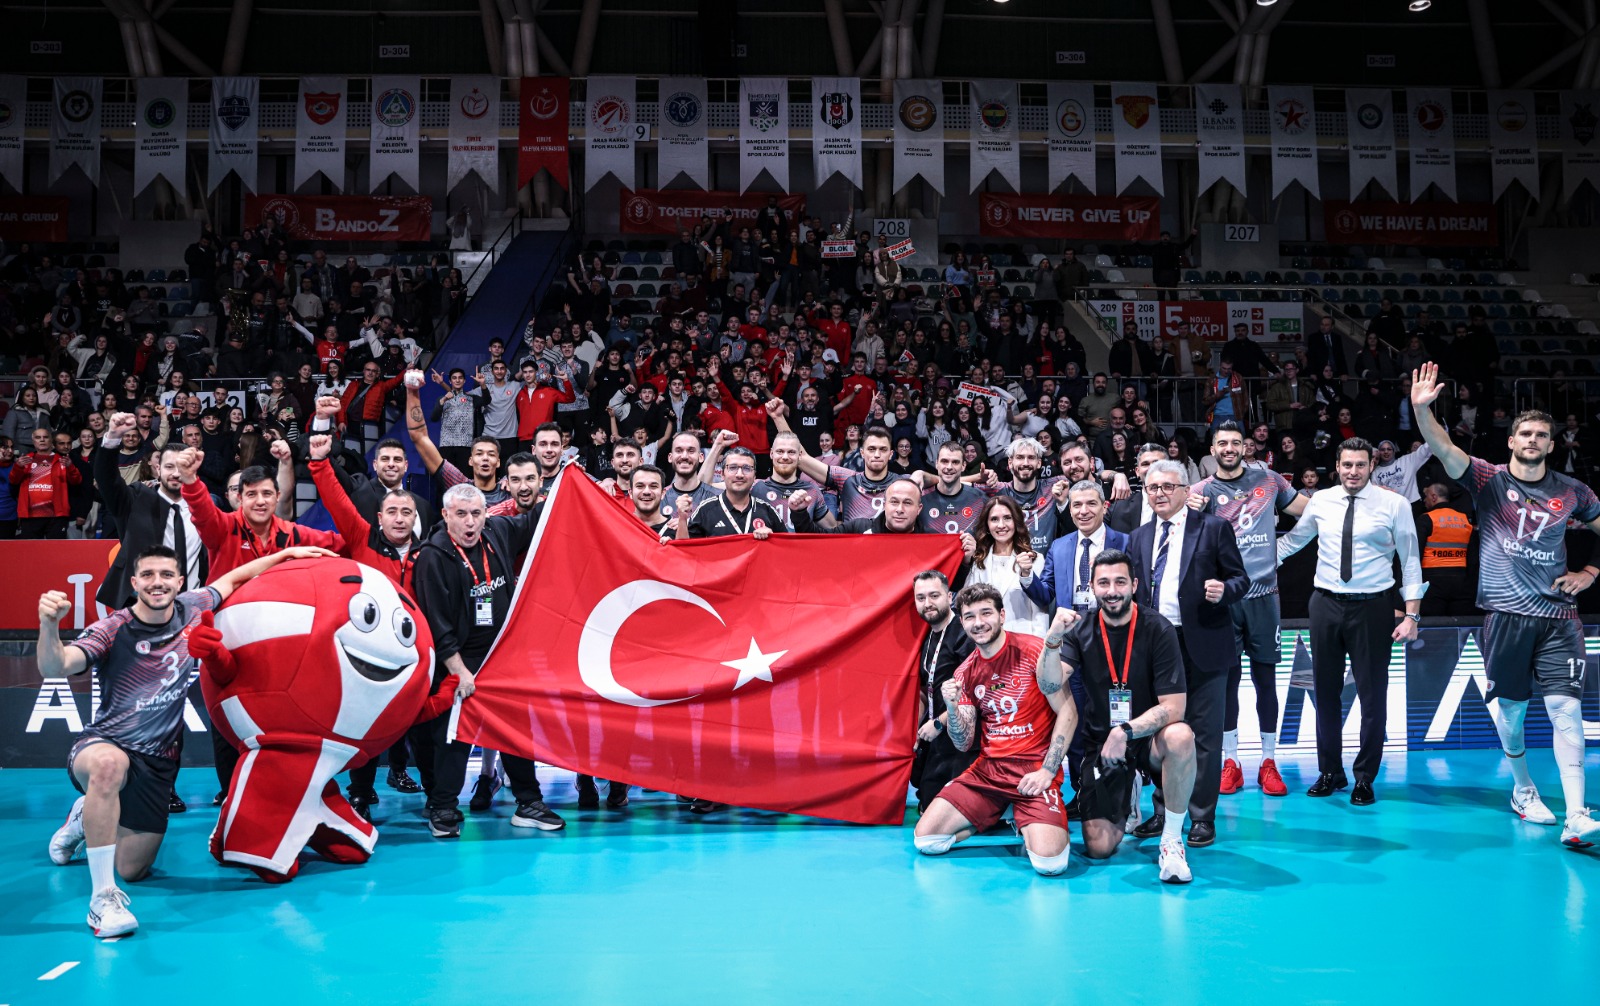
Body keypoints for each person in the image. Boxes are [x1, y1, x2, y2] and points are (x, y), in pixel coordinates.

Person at [42, 543, 336, 938]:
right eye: (148, 575)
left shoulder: (192, 607)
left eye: (166, 575)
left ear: (180, 581)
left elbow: (236, 578)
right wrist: (49, 626)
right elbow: (57, 665)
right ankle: (102, 900)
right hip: (105, 744)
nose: (157, 582)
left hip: (159, 761)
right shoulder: (113, 629)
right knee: (109, 768)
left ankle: (84, 816)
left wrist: (289, 555)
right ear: (134, 583)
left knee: (134, 869)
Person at [1411, 364, 1600, 846]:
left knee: (1565, 711)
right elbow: (1444, 449)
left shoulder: (1573, 491)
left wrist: (1590, 572)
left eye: (1542, 435)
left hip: (1560, 617)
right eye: (1526, 434)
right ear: (1512, 441)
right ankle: (1523, 789)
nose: (1533, 440)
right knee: (1512, 715)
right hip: (1507, 617)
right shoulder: (1487, 479)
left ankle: (1576, 814)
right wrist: (1422, 410)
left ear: (1551, 445)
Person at [1276, 437, 1425, 806]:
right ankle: (1330, 772)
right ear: (1337, 466)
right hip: (1324, 604)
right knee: (1325, 693)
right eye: (1347, 465)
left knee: (1372, 696)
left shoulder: (1395, 504)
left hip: (1373, 607)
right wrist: (1251, 562)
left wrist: (1412, 614)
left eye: (1360, 465)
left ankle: (1365, 777)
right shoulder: (1321, 501)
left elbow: (1410, 560)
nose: (1353, 472)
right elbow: (1294, 541)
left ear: (1371, 465)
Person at [410, 484, 564, 838]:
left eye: (476, 514)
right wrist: (459, 671)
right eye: (461, 514)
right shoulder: (433, 555)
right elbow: (436, 623)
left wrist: (565, 483)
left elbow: (533, 521)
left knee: (515, 732)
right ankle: (444, 807)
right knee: (454, 737)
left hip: (502, 657)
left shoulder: (496, 531)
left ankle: (529, 803)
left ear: (485, 514)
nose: (470, 522)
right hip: (459, 660)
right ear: (446, 515)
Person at [1041, 551, 1198, 883]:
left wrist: (1125, 730)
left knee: (1181, 736)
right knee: (1098, 848)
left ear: (1134, 585)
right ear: (1092, 587)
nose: (1112, 591)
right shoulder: (1080, 630)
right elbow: (1050, 683)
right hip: (1102, 741)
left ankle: (1171, 841)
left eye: (1120, 582)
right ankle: (1129, 787)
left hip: (1147, 740)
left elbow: (1175, 708)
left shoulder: (1159, 628)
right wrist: (1053, 638)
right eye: (1103, 583)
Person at [911, 584, 1074, 877]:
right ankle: (998, 812)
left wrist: (1048, 771)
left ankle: (1024, 820)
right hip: (989, 771)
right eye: (969, 616)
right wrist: (952, 706)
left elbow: (1068, 712)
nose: (978, 622)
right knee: (926, 840)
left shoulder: (1034, 650)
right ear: (962, 622)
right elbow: (963, 743)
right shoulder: (965, 672)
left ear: (1001, 615)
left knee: (1050, 864)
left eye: (986, 613)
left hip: (1033, 769)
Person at [1126, 460, 1249, 847]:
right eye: (1152, 488)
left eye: (1168, 486)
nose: (1159, 493)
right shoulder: (1138, 537)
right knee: (1162, 732)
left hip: (1204, 644)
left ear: (1185, 490)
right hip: (1157, 648)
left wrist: (1224, 591)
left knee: (1204, 734)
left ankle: (1201, 817)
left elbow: (1241, 579)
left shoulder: (1213, 528)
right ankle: (1163, 811)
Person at [306, 434, 427, 814]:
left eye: (405, 512)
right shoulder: (363, 538)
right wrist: (319, 463)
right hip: (368, 651)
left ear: (416, 518)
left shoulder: (428, 552)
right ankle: (360, 791)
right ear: (379, 517)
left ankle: (430, 790)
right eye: (392, 512)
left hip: (413, 650)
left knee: (415, 721)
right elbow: (337, 501)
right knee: (367, 720)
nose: (399, 518)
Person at [1189, 422, 1307, 798]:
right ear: (1212, 450)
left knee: (1265, 681)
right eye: (1222, 443)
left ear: (1246, 447)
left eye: (1235, 442)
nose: (1229, 448)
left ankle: (1268, 762)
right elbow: (1179, 536)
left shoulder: (1270, 480)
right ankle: (1232, 762)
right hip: (1223, 599)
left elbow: (1310, 512)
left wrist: (1283, 549)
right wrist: (1191, 514)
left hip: (1264, 597)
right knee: (1227, 682)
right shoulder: (1200, 492)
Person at [93, 416, 207, 608]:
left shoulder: (205, 507)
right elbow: (107, 479)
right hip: (142, 606)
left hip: (194, 606)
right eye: (169, 467)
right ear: (158, 469)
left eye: (183, 467)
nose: (176, 473)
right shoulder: (136, 499)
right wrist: (112, 437)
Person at [910, 571, 978, 813]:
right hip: (935, 731)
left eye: (934, 596)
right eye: (921, 598)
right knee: (924, 795)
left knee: (944, 809)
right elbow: (924, 687)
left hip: (961, 734)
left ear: (949, 597)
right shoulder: (925, 635)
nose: (927, 603)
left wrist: (939, 723)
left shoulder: (964, 633)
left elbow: (974, 694)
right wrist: (916, 727)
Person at [964, 496, 1049, 636]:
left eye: (1007, 518)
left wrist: (1039, 644)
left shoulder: (1034, 559)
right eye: (994, 519)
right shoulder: (979, 562)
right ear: (987, 525)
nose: (1001, 525)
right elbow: (969, 605)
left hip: (1023, 641)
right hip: (988, 641)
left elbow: (1040, 611)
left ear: (1016, 521)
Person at [1415, 482, 1476, 617]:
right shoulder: (1464, 520)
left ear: (1434, 497)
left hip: (1431, 584)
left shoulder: (1426, 519)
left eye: (1426, 496)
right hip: (1461, 583)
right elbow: (1473, 559)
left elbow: (1415, 554)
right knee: (1461, 625)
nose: (1424, 500)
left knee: (1432, 626)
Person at [9, 426, 82, 538]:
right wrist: (18, 467)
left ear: (51, 440)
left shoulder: (62, 460)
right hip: (30, 515)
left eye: (45, 437)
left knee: (56, 548)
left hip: (57, 515)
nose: (42, 440)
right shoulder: (25, 460)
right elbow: (13, 480)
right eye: (38, 437)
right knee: (31, 548)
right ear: (33, 441)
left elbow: (76, 481)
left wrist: (70, 467)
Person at [1369, 439, 1432, 503]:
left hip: (1412, 503)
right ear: (1379, 453)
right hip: (1392, 505)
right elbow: (1376, 492)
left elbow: (1425, 449)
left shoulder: (1407, 460)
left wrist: (1434, 437)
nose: (1386, 452)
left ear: (1394, 452)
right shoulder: (1376, 472)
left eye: (1389, 449)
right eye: (1382, 450)